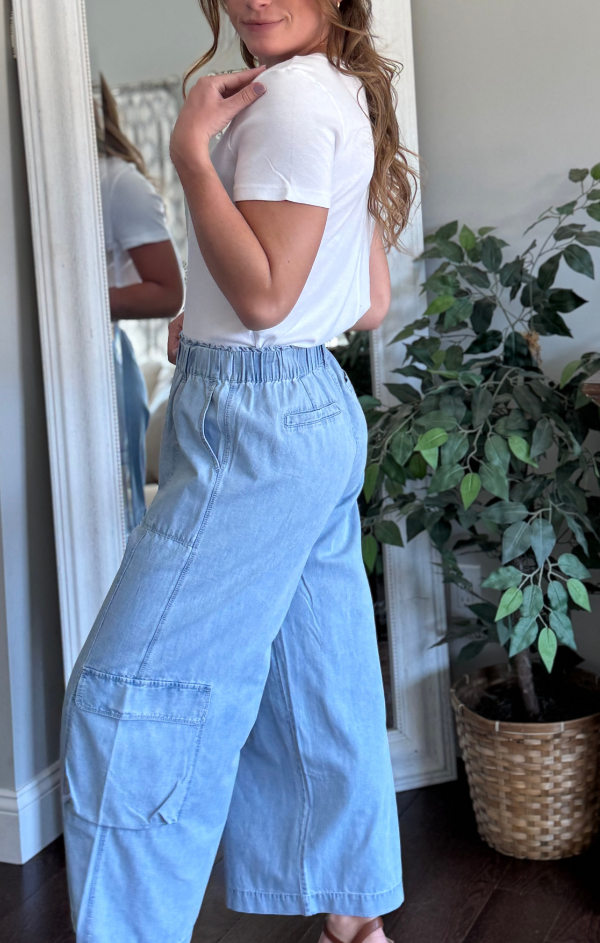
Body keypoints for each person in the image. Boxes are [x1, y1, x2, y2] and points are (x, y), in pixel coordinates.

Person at [60, 2, 417, 941]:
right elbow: (367, 302)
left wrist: (189, 153)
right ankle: (356, 926)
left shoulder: (287, 101)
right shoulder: (345, 91)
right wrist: (216, 308)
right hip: (313, 408)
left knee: (125, 699)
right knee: (320, 679)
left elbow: (263, 297)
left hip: (253, 423)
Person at [96, 76, 184, 532]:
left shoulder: (117, 182)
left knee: (116, 512)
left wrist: (76, 300)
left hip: (105, 361)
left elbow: (167, 291)